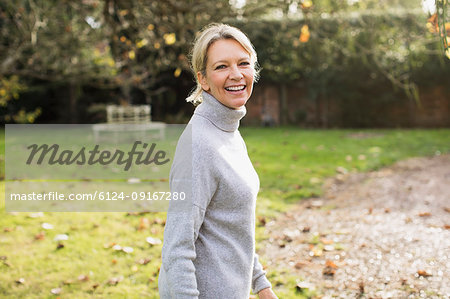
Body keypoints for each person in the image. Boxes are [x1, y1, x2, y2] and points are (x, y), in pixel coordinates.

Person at [158, 23, 277, 299]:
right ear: (203, 79)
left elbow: (233, 226)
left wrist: (261, 284)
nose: (236, 74)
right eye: (222, 66)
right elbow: (176, 249)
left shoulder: (227, 131)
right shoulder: (199, 144)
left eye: (243, 63)